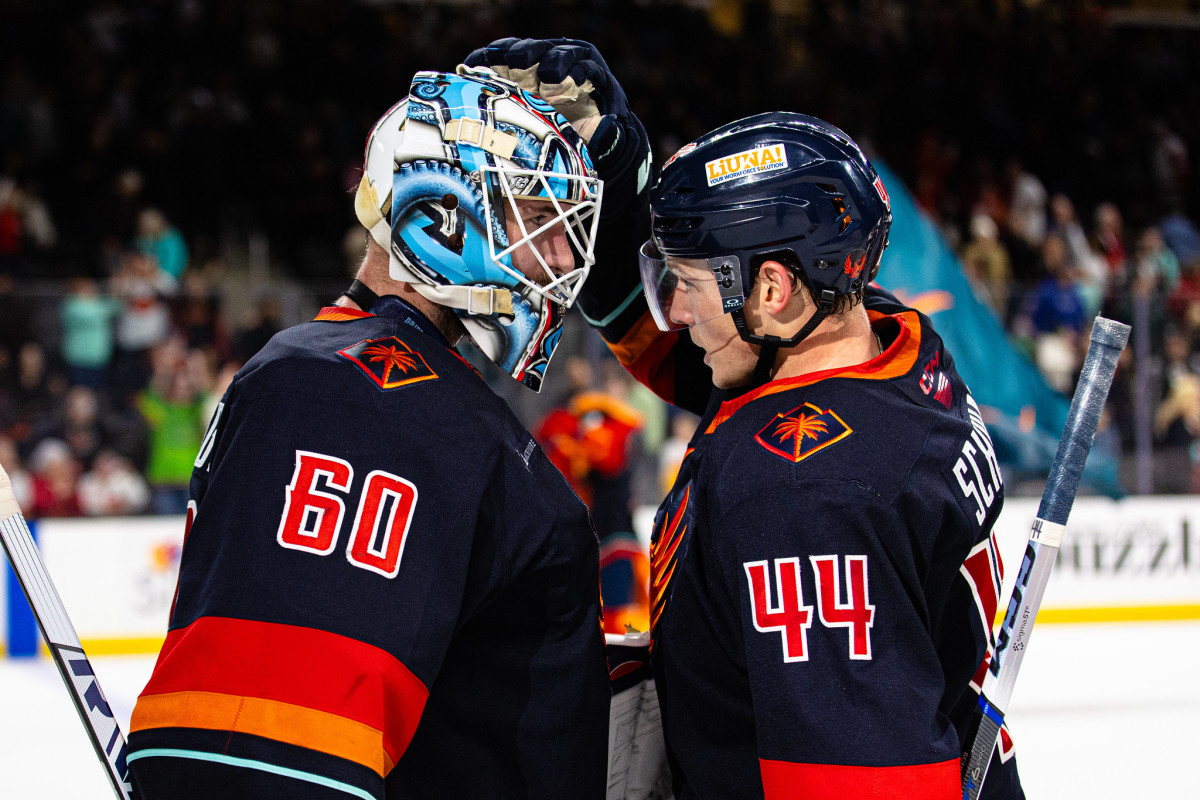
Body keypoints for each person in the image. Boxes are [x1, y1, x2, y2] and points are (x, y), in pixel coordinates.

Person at [467, 39, 1025, 800]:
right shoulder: (888, 346)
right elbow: (697, 356)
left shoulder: (799, 502)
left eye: (688, 283)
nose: (677, 313)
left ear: (773, 289)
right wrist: (618, 170)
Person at [127, 67, 611, 799]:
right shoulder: (370, 394)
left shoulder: (303, 371)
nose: (564, 259)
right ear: (442, 215)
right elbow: (279, 750)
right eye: (530, 216)